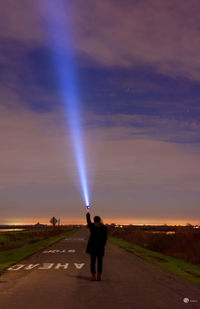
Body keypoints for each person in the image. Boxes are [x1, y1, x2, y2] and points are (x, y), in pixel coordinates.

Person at [86, 209, 107, 281]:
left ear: (94, 221)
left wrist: (88, 212)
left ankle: (93, 276)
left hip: (92, 247)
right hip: (100, 248)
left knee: (92, 262)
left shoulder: (92, 226)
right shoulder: (104, 227)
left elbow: (88, 221)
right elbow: (105, 238)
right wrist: (103, 245)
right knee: (100, 262)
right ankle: (99, 276)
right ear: (100, 220)